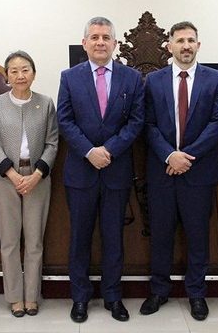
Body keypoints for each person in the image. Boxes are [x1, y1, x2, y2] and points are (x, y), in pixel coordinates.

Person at [57, 16, 144, 323]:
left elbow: (136, 122)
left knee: (113, 239)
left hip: (116, 170)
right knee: (79, 238)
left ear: (115, 44)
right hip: (80, 172)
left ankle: (113, 296)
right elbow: (65, 121)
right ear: (84, 43)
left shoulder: (131, 78)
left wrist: (108, 150)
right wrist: (90, 151)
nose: (100, 42)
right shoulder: (70, 77)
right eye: (94, 37)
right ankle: (80, 298)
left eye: (106, 37)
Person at [140, 22, 218, 321]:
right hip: (162, 171)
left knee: (197, 236)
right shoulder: (152, 81)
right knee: (161, 235)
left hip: (199, 171)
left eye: (191, 40)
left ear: (199, 45)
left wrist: (186, 156)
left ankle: (197, 294)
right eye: (180, 40)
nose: (186, 45)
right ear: (170, 46)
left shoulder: (216, 79)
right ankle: (159, 291)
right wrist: (170, 155)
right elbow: (148, 124)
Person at [0, 51, 58, 317]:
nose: (20, 75)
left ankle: (31, 296)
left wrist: (37, 174)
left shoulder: (45, 103)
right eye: (14, 71)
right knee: (10, 241)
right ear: (7, 76)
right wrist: (13, 175)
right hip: (5, 179)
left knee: (35, 241)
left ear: (34, 73)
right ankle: (15, 297)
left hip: (38, 178)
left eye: (25, 69)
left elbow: (52, 143)